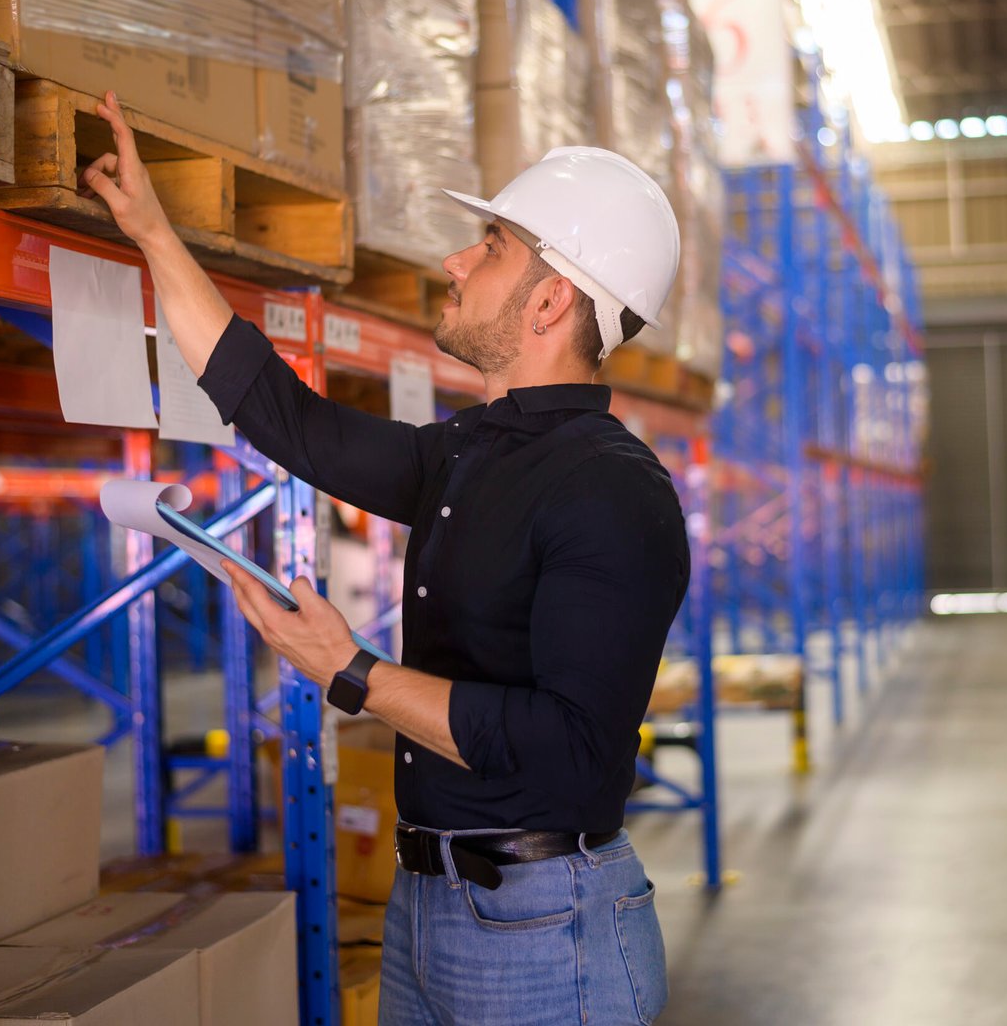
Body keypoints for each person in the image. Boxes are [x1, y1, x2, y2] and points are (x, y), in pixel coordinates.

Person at [82, 90, 690, 1025]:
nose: (455, 261)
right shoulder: (468, 453)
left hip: (546, 930)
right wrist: (153, 233)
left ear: (550, 300)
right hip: (428, 908)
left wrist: (352, 671)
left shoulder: (613, 491)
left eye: (490, 247)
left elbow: (571, 753)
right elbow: (288, 421)